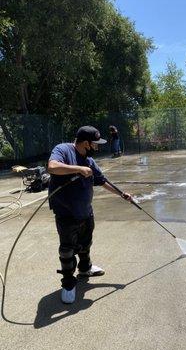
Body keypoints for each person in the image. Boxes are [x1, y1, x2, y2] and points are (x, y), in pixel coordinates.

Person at [47, 125, 132, 304]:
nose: (97, 147)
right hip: (66, 213)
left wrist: (121, 194)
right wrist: (77, 169)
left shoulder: (90, 161)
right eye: (95, 144)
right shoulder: (62, 150)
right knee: (67, 249)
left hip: (85, 211)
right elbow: (52, 167)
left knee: (85, 243)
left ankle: (85, 268)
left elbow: (101, 181)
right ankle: (68, 283)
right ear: (86, 143)